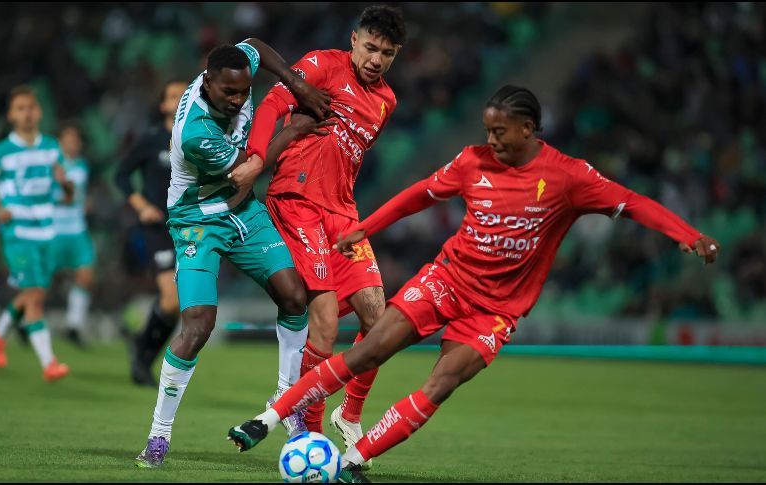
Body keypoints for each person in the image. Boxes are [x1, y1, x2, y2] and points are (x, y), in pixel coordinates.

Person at [226, 85, 721, 482]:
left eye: (501, 132)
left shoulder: (570, 177)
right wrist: (367, 227)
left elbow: (632, 202)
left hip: (495, 311)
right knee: (368, 349)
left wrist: (688, 235)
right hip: (446, 280)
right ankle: (265, 422)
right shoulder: (472, 162)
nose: (493, 141)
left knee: (440, 384)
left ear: (528, 129)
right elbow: (419, 195)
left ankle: (354, 461)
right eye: (488, 130)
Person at [134, 38, 332, 468]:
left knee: (294, 295)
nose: (239, 100)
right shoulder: (195, 131)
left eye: (244, 91)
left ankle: (287, 402)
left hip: (242, 210)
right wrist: (294, 129)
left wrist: (295, 82)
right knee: (198, 323)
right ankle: (159, 434)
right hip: (197, 220)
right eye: (230, 93)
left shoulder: (233, 68)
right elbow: (247, 169)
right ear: (207, 83)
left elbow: (255, 45)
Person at [233, 6, 406, 464]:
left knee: (378, 318)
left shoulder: (387, 102)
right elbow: (273, 102)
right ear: (354, 40)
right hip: (298, 202)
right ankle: (308, 432)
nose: (376, 58)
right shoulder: (322, 64)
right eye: (370, 47)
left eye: (386, 53)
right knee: (325, 321)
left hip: (344, 216)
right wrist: (255, 157)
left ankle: (349, 414)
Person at [0, 86, 73, 381]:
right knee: (35, 297)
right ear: (11, 115)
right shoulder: (1, 151)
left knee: (32, 294)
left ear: (39, 112)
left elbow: (67, 195)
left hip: (46, 231)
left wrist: (63, 182)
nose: (27, 113)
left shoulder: (52, 147)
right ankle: (49, 363)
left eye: (31, 107)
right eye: (20, 108)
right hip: (17, 231)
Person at [115, 80, 188, 386]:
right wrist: (141, 205)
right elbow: (121, 175)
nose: (179, 99)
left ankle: (142, 352)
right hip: (158, 227)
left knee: (178, 304)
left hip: (189, 227)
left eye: (184, 94)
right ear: (162, 105)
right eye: (172, 95)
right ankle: (143, 357)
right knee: (171, 299)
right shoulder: (152, 139)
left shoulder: (198, 138)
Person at [52, 121, 95, 347]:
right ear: (59, 142)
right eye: (68, 139)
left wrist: (84, 202)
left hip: (77, 230)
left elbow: (79, 195)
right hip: (53, 230)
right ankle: (21, 321)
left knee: (86, 276)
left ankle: (74, 325)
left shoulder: (82, 165)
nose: (73, 144)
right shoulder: (51, 167)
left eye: (76, 140)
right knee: (40, 282)